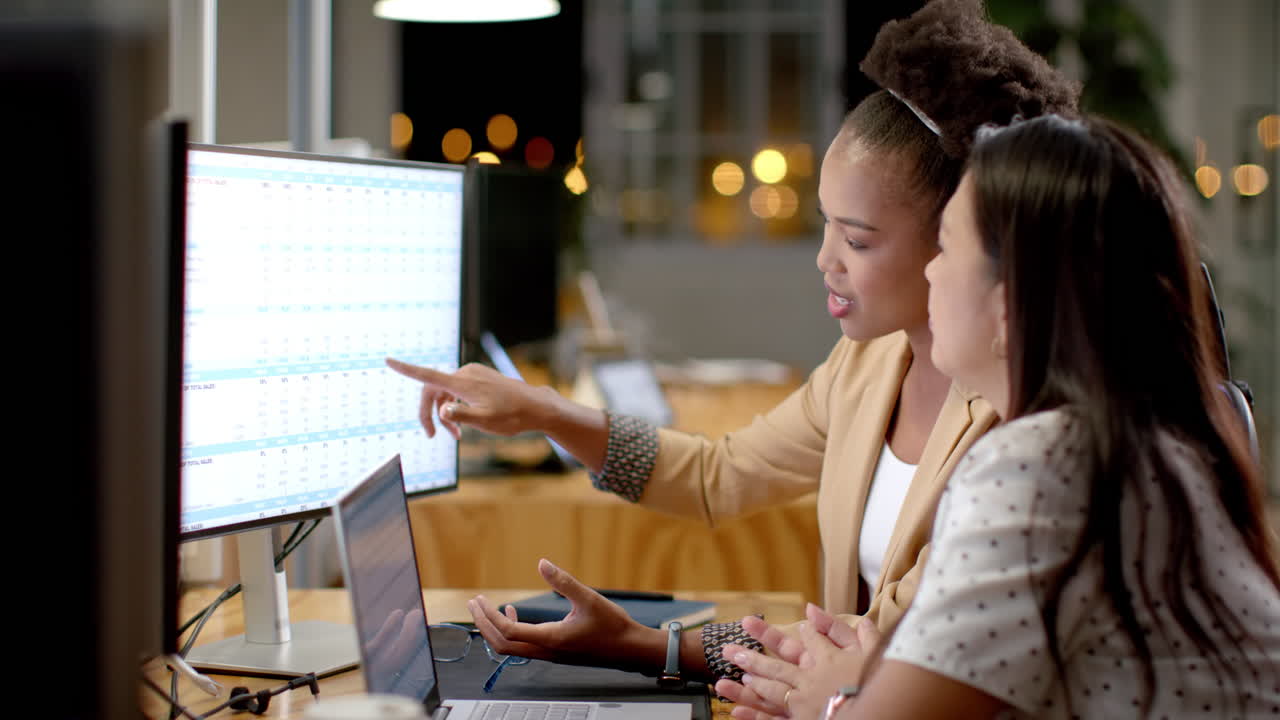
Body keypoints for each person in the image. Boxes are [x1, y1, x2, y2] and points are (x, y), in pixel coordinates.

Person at [388, 0, 1077, 685]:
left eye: (858, 239)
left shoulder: (1016, 425)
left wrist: (649, 646)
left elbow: (883, 654)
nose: (825, 259)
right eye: (825, 224)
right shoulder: (869, 364)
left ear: (962, 237)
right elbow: (720, 476)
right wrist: (544, 412)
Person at [721, 114, 1280, 719]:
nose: (932, 268)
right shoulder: (1139, 441)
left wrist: (828, 706)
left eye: (950, 244)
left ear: (1012, 302)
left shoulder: (1043, 468)